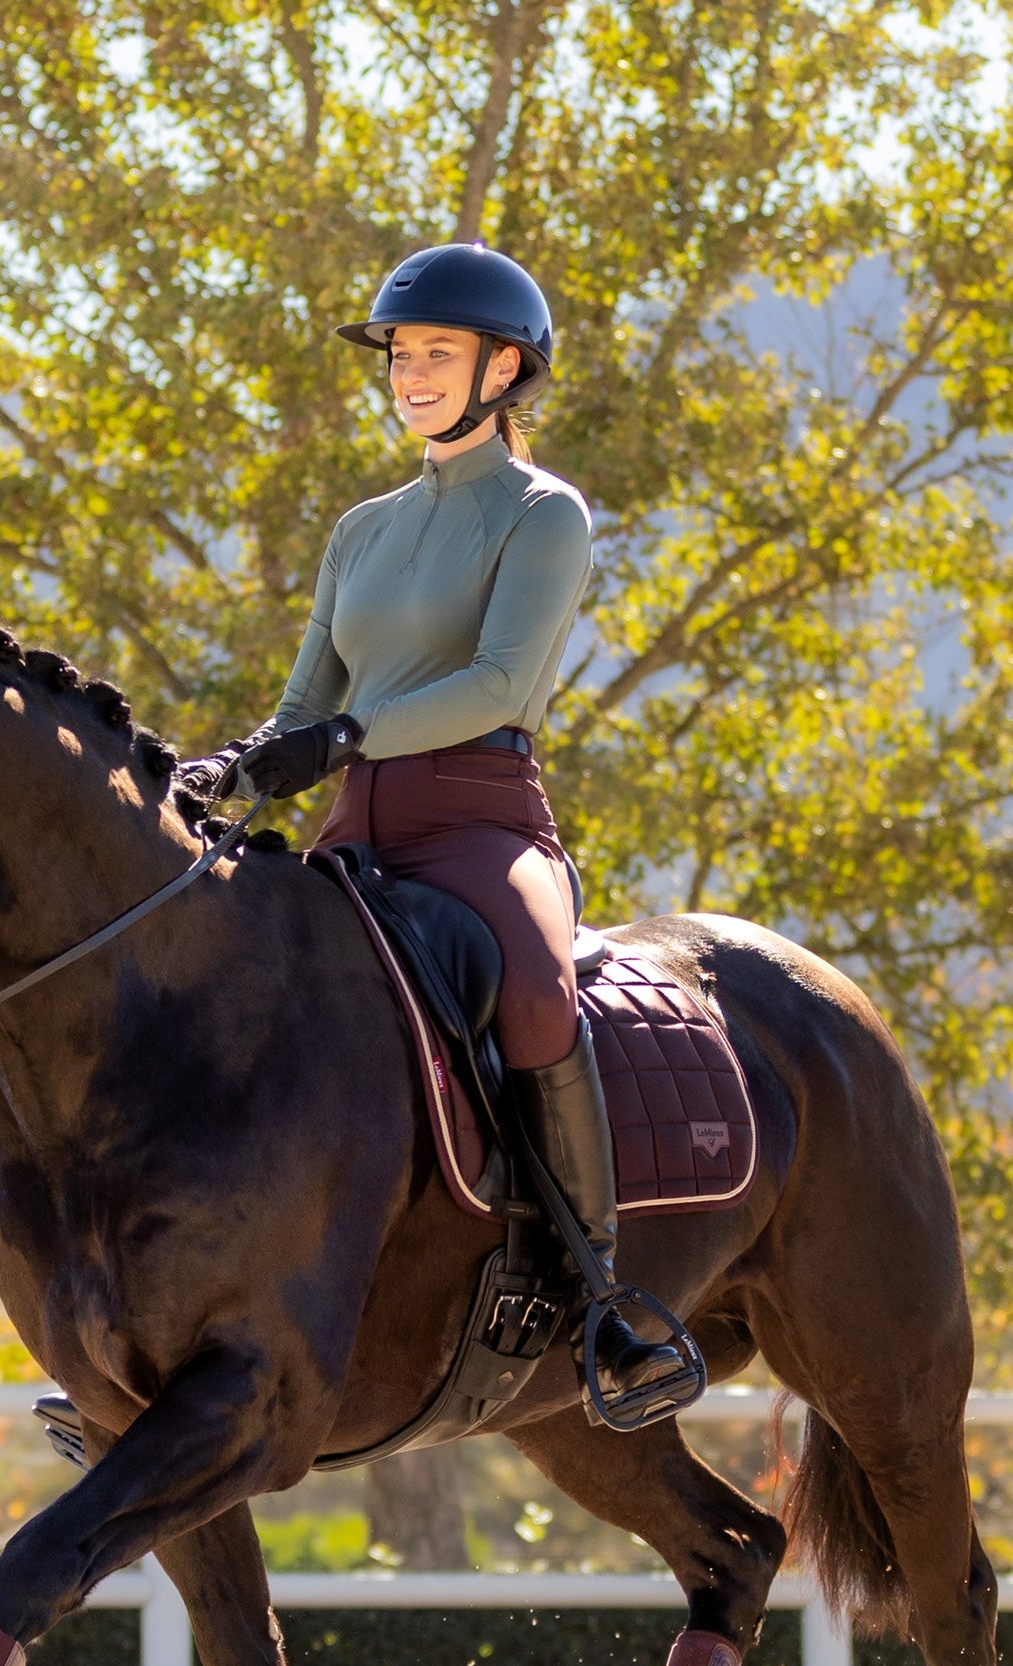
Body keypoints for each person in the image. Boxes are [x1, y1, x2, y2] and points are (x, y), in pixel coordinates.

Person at [182, 241, 676, 1418]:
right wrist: (231, 764)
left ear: (504, 367)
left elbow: (502, 683)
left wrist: (343, 737)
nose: (409, 372)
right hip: (354, 832)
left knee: (538, 993)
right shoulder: (361, 530)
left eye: (435, 353)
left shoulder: (543, 515)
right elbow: (305, 704)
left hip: (480, 821)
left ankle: (602, 1299)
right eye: (401, 354)